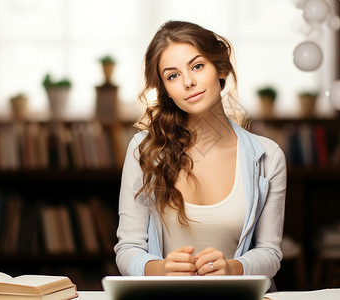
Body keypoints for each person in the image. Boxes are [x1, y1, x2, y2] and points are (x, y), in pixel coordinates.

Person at [114, 20, 286, 290]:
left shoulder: (268, 156)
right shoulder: (143, 151)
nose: (188, 82)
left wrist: (233, 268)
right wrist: (159, 269)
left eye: (197, 66)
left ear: (221, 68)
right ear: (166, 91)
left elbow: (270, 253)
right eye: (172, 76)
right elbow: (128, 249)